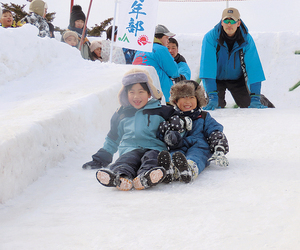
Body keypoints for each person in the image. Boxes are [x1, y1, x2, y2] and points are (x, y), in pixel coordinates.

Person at [82, 68, 176, 191]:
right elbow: (112, 139)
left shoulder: (162, 111)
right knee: (126, 160)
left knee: (152, 159)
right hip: (130, 149)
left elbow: (178, 127)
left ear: (149, 93)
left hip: (154, 148)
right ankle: (121, 177)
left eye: (141, 91)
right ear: (126, 94)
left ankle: (146, 176)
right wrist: (100, 159)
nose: (136, 96)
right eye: (131, 92)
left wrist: (173, 135)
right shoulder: (121, 114)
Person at [157, 80, 229, 183]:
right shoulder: (173, 117)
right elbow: (161, 134)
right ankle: (171, 169)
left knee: (197, 155)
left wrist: (218, 144)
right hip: (179, 145)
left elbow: (214, 130)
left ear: (198, 100)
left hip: (199, 146)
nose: (187, 102)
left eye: (191, 97)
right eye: (183, 97)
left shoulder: (203, 116)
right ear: (176, 101)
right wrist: (166, 131)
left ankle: (190, 169)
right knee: (174, 154)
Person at [199, 7, 270, 109]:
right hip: (216, 79)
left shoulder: (246, 40)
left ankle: (263, 101)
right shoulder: (210, 38)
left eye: (232, 21)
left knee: (249, 104)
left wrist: (255, 96)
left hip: (238, 78)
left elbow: (254, 67)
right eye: (226, 20)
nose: (229, 24)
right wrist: (212, 96)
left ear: (238, 23)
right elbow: (208, 67)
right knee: (216, 106)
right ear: (221, 22)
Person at [133, 24, 182, 103]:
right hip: (160, 93)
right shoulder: (161, 49)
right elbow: (173, 71)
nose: (168, 41)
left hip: (139, 93)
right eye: (167, 37)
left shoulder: (140, 49)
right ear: (159, 37)